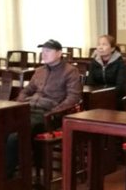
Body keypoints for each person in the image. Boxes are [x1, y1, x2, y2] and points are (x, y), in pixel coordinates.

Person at [6, 39, 82, 178]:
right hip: (28, 109)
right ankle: (6, 169)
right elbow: (26, 90)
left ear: (59, 53)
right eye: (42, 51)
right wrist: (20, 103)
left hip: (47, 114)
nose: (44, 54)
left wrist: (54, 112)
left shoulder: (70, 71)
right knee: (1, 130)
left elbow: (73, 98)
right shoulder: (40, 70)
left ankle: (6, 177)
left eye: (48, 51)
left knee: (14, 137)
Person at [86, 35, 126, 109]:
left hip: (114, 99)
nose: (100, 47)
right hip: (97, 97)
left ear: (112, 48)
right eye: (99, 44)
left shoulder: (120, 63)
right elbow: (90, 83)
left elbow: (120, 87)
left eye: (104, 44)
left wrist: (105, 95)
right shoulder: (94, 63)